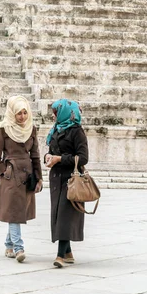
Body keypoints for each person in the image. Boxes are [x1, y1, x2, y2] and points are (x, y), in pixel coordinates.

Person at [0, 95, 43, 263]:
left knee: (18, 211)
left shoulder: (31, 129)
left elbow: (35, 155)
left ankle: (8, 244)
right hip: (11, 176)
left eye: (24, 113)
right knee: (14, 212)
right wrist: (5, 172)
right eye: (19, 113)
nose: (22, 117)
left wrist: (39, 178)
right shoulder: (3, 129)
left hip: (27, 176)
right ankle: (19, 248)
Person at [45, 98, 89, 268]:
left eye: (56, 112)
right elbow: (51, 150)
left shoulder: (77, 131)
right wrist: (47, 157)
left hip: (72, 179)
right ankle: (68, 252)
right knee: (59, 215)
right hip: (57, 178)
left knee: (64, 216)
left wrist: (59, 159)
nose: (54, 116)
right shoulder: (56, 129)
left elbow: (83, 157)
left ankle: (60, 255)